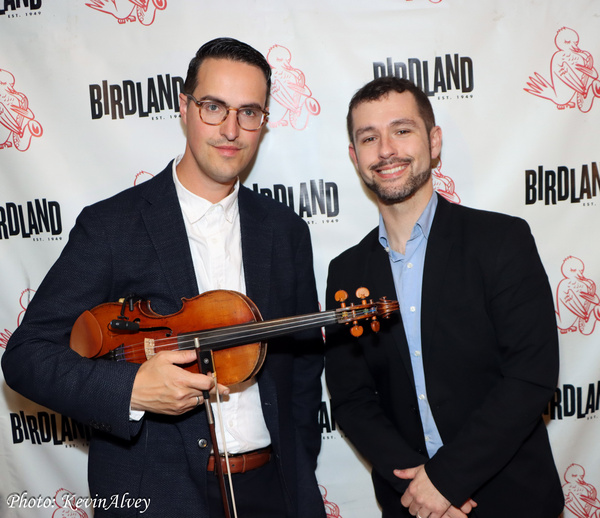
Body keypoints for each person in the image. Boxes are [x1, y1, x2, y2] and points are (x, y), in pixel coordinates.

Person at [2, 37, 326, 518]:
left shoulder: (286, 230)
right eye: (214, 107)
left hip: (274, 491)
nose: (231, 129)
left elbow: (301, 363)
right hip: (157, 497)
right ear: (184, 107)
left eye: (249, 112)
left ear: (263, 121)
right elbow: (27, 356)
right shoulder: (112, 225)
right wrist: (129, 390)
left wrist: (296, 466)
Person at [324, 76, 564, 518]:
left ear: (434, 142)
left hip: (512, 499)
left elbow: (532, 374)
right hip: (410, 503)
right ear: (355, 157)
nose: (386, 150)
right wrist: (418, 486)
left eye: (402, 130)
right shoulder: (346, 271)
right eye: (369, 137)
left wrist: (446, 480)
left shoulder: (501, 240)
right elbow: (352, 399)